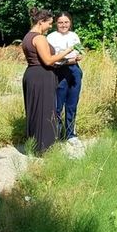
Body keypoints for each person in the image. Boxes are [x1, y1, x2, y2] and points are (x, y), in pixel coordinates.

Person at [22, 7, 77, 154]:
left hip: (32, 74)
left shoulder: (28, 36)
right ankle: (44, 148)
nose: (50, 26)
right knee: (45, 111)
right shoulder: (39, 38)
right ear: (41, 22)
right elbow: (47, 60)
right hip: (42, 76)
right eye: (49, 23)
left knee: (35, 110)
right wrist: (66, 52)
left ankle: (34, 145)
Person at [47, 12, 83, 145]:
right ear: (56, 23)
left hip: (74, 70)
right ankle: (56, 134)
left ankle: (70, 134)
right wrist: (66, 59)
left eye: (66, 22)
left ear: (70, 22)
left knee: (72, 104)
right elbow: (52, 58)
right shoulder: (51, 37)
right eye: (61, 22)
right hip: (59, 71)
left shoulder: (74, 36)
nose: (63, 25)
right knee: (57, 105)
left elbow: (79, 52)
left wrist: (79, 57)